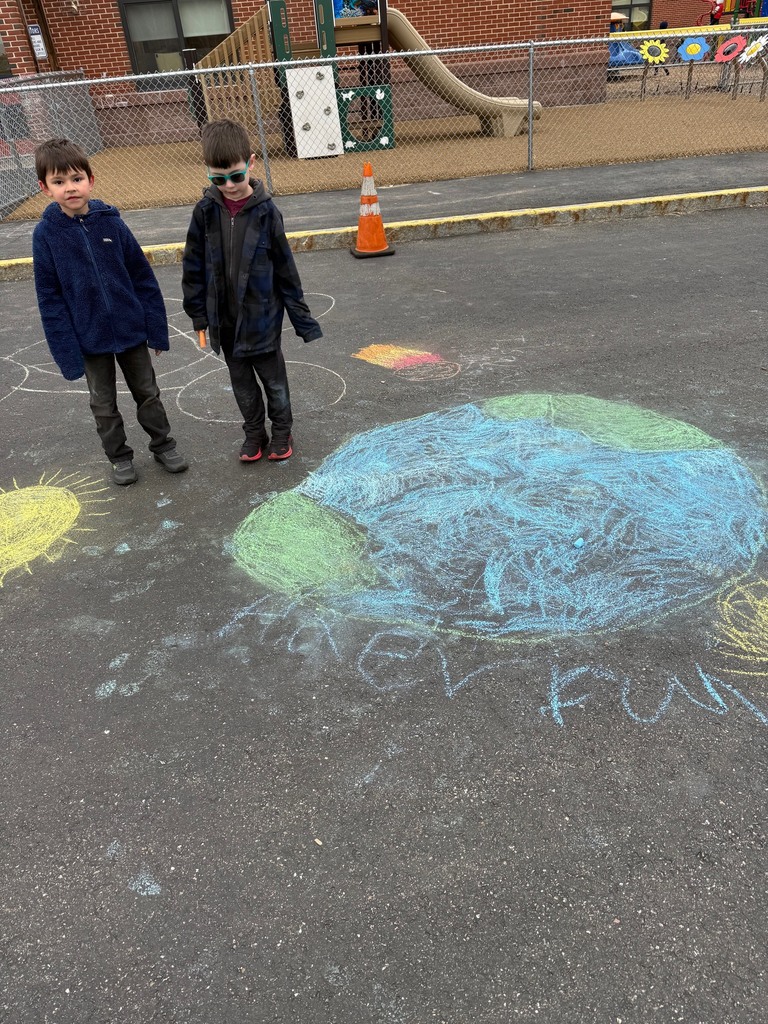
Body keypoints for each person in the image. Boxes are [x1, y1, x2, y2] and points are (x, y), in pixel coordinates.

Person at [32, 138, 188, 486]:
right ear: (45, 188)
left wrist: (156, 330)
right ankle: (119, 457)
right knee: (102, 403)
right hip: (90, 337)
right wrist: (68, 353)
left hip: (130, 329)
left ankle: (163, 445)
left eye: (76, 178)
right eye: (59, 182)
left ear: (90, 179)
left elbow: (142, 277)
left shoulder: (112, 225)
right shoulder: (46, 235)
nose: (69, 188)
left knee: (147, 393)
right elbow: (49, 298)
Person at [182, 119, 323, 463]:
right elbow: (193, 265)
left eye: (235, 175)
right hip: (224, 321)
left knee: (273, 381)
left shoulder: (266, 213)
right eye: (218, 178)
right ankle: (253, 433)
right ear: (207, 174)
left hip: (261, 319)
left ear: (251, 162)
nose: (228, 185)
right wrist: (198, 313)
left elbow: (286, 271)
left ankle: (282, 431)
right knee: (241, 383)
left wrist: (302, 319)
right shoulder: (204, 212)